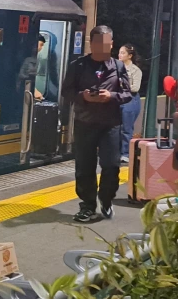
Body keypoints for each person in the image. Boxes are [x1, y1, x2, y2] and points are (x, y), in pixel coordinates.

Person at [62, 25, 132, 222]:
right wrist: (83, 96)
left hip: (110, 124)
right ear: (91, 44)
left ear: (112, 44)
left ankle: (106, 199)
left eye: (106, 44)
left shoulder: (118, 66)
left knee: (111, 165)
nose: (103, 47)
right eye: (98, 43)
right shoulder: (78, 66)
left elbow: (127, 94)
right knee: (85, 166)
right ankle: (88, 205)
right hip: (85, 122)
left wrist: (111, 96)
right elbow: (66, 91)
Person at [118, 44, 143, 163]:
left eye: (123, 53)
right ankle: (116, 151)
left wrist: (121, 85)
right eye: (119, 52)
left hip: (130, 100)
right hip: (117, 99)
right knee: (115, 127)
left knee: (126, 128)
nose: (120, 55)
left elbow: (135, 88)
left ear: (130, 56)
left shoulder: (135, 70)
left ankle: (125, 154)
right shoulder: (115, 67)